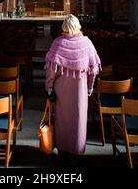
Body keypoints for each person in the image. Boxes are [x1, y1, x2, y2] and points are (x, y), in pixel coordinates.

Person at [45, 14, 101, 166]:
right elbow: (92, 70)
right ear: (78, 26)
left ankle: (63, 151)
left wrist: (49, 88)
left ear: (64, 27)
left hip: (62, 91)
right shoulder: (87, 43)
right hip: (80, 91)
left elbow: (51, 71)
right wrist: (90, 87)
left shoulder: (58, 43)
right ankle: (76, 152)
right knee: (79, 120)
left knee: (62, 120)